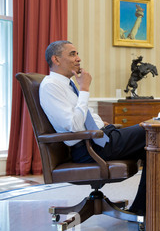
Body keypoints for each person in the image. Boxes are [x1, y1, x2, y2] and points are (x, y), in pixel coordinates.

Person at [39, 40, 146, 215]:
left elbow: (79, 117)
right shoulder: (51, 86)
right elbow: (73, 126)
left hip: (99, 139)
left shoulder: (66, 85)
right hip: (89, 148)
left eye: (77, 54)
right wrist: (85, 88)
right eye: (72, 54)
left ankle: (142, 209)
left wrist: (98, 122)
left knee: (151, 147)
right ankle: (142, 209)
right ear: (56, 60)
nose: (78, 58)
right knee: (149, 131)